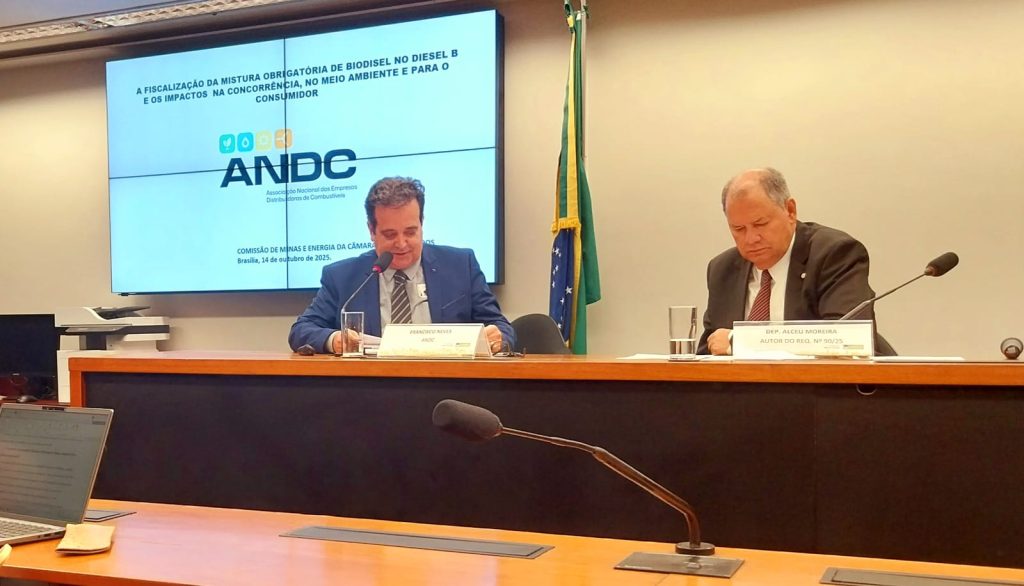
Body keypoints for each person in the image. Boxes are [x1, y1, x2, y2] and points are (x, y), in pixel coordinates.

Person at [289, 177, 514, 354]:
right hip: (371, 387)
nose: (401, 243)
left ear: (422, 224)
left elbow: (501, 327)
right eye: (390, 234)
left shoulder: (460, 265)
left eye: (410, 232)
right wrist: (335, 340)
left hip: (449, 387)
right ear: (371, 231)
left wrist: (497, 337)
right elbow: (301, 330)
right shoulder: (342, 277)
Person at [698, 167, 895, 356]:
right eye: (738, 229)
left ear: (790, 211)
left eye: (760, 224)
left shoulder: (834, 254)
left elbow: (847, 340)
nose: (751, 239)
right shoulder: (723, 270)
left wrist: (740, 341)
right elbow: (708, 353)